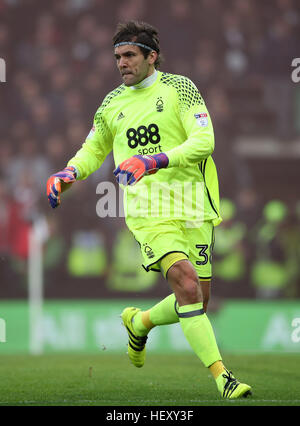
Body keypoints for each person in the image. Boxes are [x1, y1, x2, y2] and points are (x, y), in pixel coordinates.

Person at [47, 21, 251, 399]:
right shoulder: (111, 104)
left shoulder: (180, 89)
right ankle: (224, 377)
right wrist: (69, 172)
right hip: (148, 209)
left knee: (198, 300)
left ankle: (139, 322)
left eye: (129, 55)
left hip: (194, 203)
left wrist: (153, 160)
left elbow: (204, 140)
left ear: (150, 56)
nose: (121, 63)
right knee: (186, 284)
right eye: (117, 57)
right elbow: (93, 150)